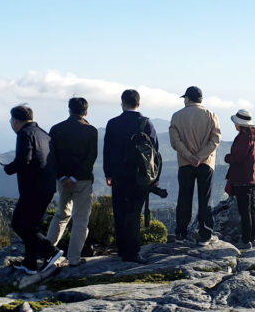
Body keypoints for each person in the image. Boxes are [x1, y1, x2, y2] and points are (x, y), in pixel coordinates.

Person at [3, 105, 63, 274]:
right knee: (31, 226)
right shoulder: (43, 133)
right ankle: (30, 264)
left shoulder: (24, 134)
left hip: (33, 187)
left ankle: (51, 252)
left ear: (16, 120)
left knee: (19, 224)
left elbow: (25, 159)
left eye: (11, 120)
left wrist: (9, 168)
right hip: (48, 186)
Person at [103, 89, 159, 263]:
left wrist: (108, 173)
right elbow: (154, 152)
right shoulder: (146, 123)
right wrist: (154, 178)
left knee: (119, 211)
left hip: (119, 175)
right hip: (140, 176)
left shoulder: (112, 123)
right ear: (138, 103)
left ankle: (121, 249)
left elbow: (107, 151)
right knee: (134, 213)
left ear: (122, 103)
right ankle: (133, 252)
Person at [46, 97, 98, 267]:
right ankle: (74, 258)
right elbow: (90, 158)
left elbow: (51, 157)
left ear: (69, 110)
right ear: (86, 111)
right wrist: (75, 177)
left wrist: (63, 177)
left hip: (62, 181)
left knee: (61, 215)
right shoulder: (91, 131)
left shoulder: (56, 129)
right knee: (81, 219)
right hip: (82, 180)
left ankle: (47, 253)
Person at [169, 86, 221, 244]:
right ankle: (205, 234)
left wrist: (189, 156)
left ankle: (181, 234)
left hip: (185, 163)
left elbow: (175, 141)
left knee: (184, 198)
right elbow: (215, 140)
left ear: (188, 99)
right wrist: (200, 157)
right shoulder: (211, 115)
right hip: (206, 163)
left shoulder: (177, 116)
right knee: (205, 199)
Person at [225, 110, 255, 250]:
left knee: (244, 210)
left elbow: (238, 158)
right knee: (250, 209)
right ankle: (252, 238)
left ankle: (246, 240)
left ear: (239, 124)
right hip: (252, 177)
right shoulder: (252, 136)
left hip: (243, 178)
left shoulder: (243, 138)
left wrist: (227, 158)